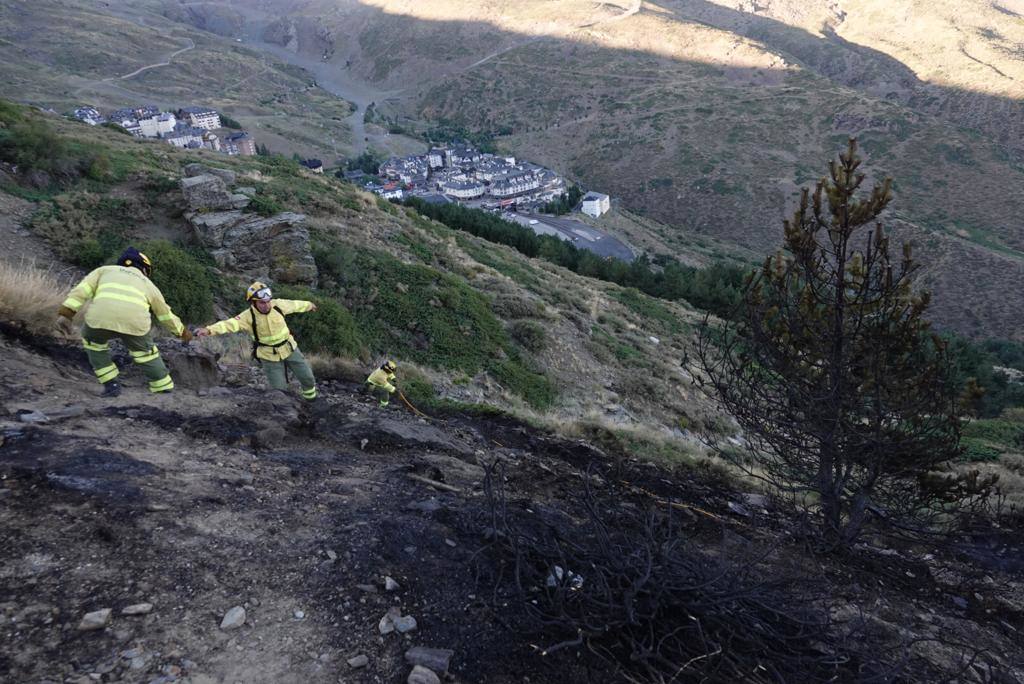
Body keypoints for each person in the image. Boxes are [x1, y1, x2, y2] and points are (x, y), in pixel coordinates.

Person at [57, 246, 190, 397]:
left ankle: (111, 384)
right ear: (144, 269)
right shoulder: (148, 284)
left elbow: (80, 292)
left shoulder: (104, 271)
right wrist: (183, 333)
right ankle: (162, 387)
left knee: (94, 345)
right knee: (147, 354)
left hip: (100, 319)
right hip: (135, 323)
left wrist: (66, 314)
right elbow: (165, 314)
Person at [195, 281, 319, 401]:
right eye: (262, 303)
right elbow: (229, 324)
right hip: (268, 355)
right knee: (279, 391)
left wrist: (309, 305)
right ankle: (288, 412)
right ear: (253, 303)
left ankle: (311, 401)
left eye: (268, 301)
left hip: (290, 349)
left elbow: (295, 305)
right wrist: (209, 330)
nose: (266, 305)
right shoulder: (247, 317)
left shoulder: (278, 305)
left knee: (308, 378)